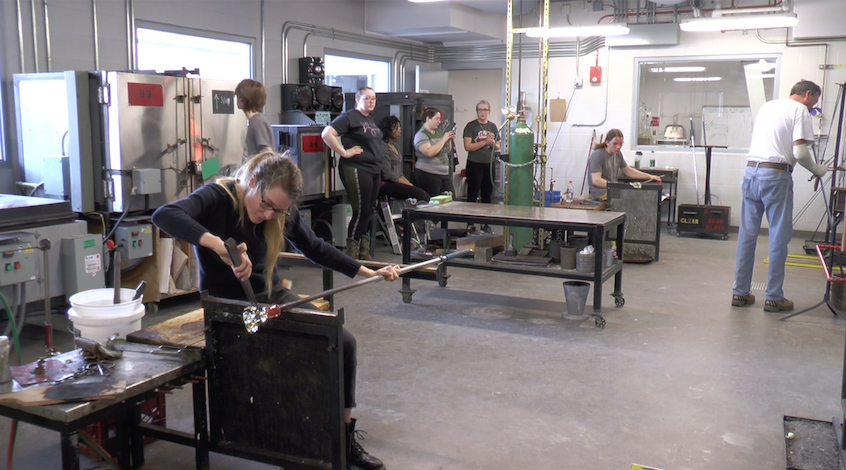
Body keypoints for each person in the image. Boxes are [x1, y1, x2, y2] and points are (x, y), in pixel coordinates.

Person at [151, 152, 399, 470]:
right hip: (229, 308)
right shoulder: (219, 196)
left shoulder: (278, 210)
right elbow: (165, 215)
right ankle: (290, 444)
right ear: (253, 181)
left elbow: (314, 247)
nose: (269, 215)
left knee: (343, 344)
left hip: (273, 297)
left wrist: (368, 271)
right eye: (266, 204)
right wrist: (217, 245)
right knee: (284, 358)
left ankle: (342, 438)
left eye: (278, 211)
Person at [732, 80, 827, 312]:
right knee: (778, 237)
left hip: (751, 173)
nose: (814, 107)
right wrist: (816, 169)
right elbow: (799, 152)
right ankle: (774, 297)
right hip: (775, 176)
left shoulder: (768, 107)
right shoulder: (799, 110)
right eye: (814, 102)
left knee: (746, 236)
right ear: (807, 94)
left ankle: (740, 293)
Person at [322, 87, 383, 260]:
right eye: (367, 98)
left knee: (369, 210)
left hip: (374, 168)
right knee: (361, 211)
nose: (371, 101)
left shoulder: (370, 119)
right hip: (357, 167)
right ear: (358, 100)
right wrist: (344, 152)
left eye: (373, 98)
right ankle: (352, 254)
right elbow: (327, 133)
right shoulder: (349, 117)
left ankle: (363, 251)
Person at [588, 129, 662, 200]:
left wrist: (650, 177)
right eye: (615, 144)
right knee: (631, 196)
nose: (618, 147)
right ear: (607, 142)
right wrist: (617, 186)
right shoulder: (598, 155)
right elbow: (596, 180)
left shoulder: (617, 154)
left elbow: (628, 170)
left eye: (620, 144)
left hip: (613, 190)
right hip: (600, 193)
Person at [462, 99, 500, 234]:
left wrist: (491, 143)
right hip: (474, 163)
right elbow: (468, 146)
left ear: (489, 112)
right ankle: (470, 223)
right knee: (472, 194)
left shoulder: (493, 127)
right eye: (480, 110)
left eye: (485, 110)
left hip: (489, 163)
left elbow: (498, 146)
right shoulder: (471, 126)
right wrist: (485, 142)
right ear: (477, 111)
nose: (482, 112)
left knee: (487, 195)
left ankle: (485, 223)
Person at [378, 115, 430, 204]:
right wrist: (406, 184)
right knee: (421, 195)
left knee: (424, 195)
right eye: (396, 128)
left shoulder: (394, 146)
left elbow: (398, 172)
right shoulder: (383, 147)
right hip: (386, 184)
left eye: (400, 127)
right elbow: (387, 174)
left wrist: (409, 184)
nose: (399, 130)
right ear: (387, 130)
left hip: (396, 181)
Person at [413, 108, 457, 198]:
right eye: (436, 119)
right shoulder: (421, 135)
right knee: (433, 202)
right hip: (428, 173)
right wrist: (443, 139)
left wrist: (448, 140)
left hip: (444, 173)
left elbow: (446, 151)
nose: (439, 121)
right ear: (428, 119)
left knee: (451, 199)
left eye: (440, 119)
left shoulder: (438, 132)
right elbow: (428, 152)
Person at [235, 79, 274, 159]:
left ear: (242, 100)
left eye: (238, 96)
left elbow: (266, 153)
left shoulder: (257, 121)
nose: (236, 99)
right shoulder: (255, 120)